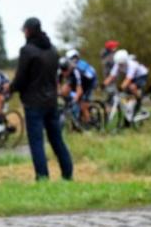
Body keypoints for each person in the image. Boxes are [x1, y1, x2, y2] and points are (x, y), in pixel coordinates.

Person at [11, 17, 73, 181]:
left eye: (24, 30)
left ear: (29, 31)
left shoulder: (27, 51)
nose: (24, 33)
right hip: (51, 101)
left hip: (34, 103)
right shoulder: (52, 50)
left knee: (37, 142)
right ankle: (67, 174)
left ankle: (42, 176)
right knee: (57, 139)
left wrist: (11, 89)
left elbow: (21, 78)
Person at [104, 49, 150, 123]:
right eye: (119, 64)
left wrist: (121, 87)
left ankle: (139, 100)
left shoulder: (132, 65)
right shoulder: (117, 64)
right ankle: (130, 111)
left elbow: (128, 79)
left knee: (132, 87)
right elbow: (112, 76)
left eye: (121, 64)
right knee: (125, 95)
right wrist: (104, 84)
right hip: (132, 77)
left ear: (125, 61)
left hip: (141, 75)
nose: (119, 65)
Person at [63, 49, 97, 125]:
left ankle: (88, 122)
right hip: (81, 82)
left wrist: (78, 95)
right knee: (69, 93)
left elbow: (85, 81)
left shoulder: (81, 66)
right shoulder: (71, 66)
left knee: (83, 104)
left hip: (89, 84)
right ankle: (76, 117)